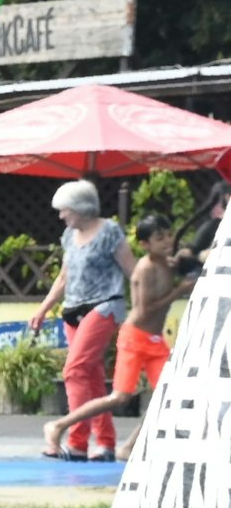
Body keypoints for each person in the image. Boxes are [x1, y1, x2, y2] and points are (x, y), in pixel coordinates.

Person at [42, 215, 196, 463]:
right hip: (135, 338)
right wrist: (179, 291)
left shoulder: (168, 263)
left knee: (167, 397)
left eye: (169, 235)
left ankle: (129, 446)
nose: (167, 241)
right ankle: (58, 425)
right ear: (145, 245)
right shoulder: (144, 269)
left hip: (156, 341)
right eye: (159, 238)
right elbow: (145, 310)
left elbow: (188, 256)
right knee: (120, 397)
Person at [28, 179, 135, 461]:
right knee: (92, 376)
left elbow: (132, 271)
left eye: (65, 210)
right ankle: (106, 443)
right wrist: (43, 309)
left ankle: (76, 442)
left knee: (73, 371)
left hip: (104, 305)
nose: (62, 215)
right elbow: (64, 278)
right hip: (73, 309)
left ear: (81, 207)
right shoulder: (68, 236)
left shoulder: (109, 231)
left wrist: (141, 310)